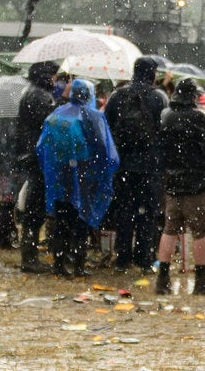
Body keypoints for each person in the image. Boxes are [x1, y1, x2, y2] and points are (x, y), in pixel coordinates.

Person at [36, 77, 120, 277]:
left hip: (60, 174)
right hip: (85, 174)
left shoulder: (56, 114)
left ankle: (59, 263)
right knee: (82, 218)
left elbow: (41, 147)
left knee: (62, 218)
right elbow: (105, 148)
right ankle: (79, 265)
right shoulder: (93, 116)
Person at [155, 75, 205, 295]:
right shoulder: (197, 116)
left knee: (169, 229)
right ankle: (202, 280)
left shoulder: (166, 114)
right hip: (197, 184)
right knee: (201, 231)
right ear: (194, 96)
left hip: (173, 183)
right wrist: (199, 127)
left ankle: (163, 279)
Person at [105, 56, 168, 272]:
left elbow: (107, 128)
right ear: (151, 74)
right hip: (150, 165)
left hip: (123, 164)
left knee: (124, 211)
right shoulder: (159, 98)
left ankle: (122, 259)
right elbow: (165, 131)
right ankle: (145, 258)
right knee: (147, 213)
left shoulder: (117, 96)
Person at [10, 61, 61, 272]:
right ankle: (29, 258)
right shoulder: (39, 96)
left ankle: (29, 255)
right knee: (35, 209)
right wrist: (63, 101)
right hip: (38, 156)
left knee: (35, 207)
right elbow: (52, 121)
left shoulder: (33, 92)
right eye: (55, 75)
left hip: (31, 154)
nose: (57, 79)